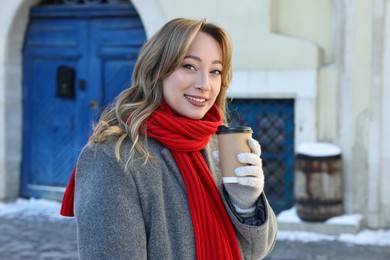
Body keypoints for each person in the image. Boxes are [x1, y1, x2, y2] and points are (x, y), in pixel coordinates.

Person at [61, 18, 277, 259]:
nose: (205, 84)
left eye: (215, 71)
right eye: (189, 66)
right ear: (157, 70)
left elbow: (255, 251)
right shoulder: (114, 157)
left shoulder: (217, 144)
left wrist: (246, 205)